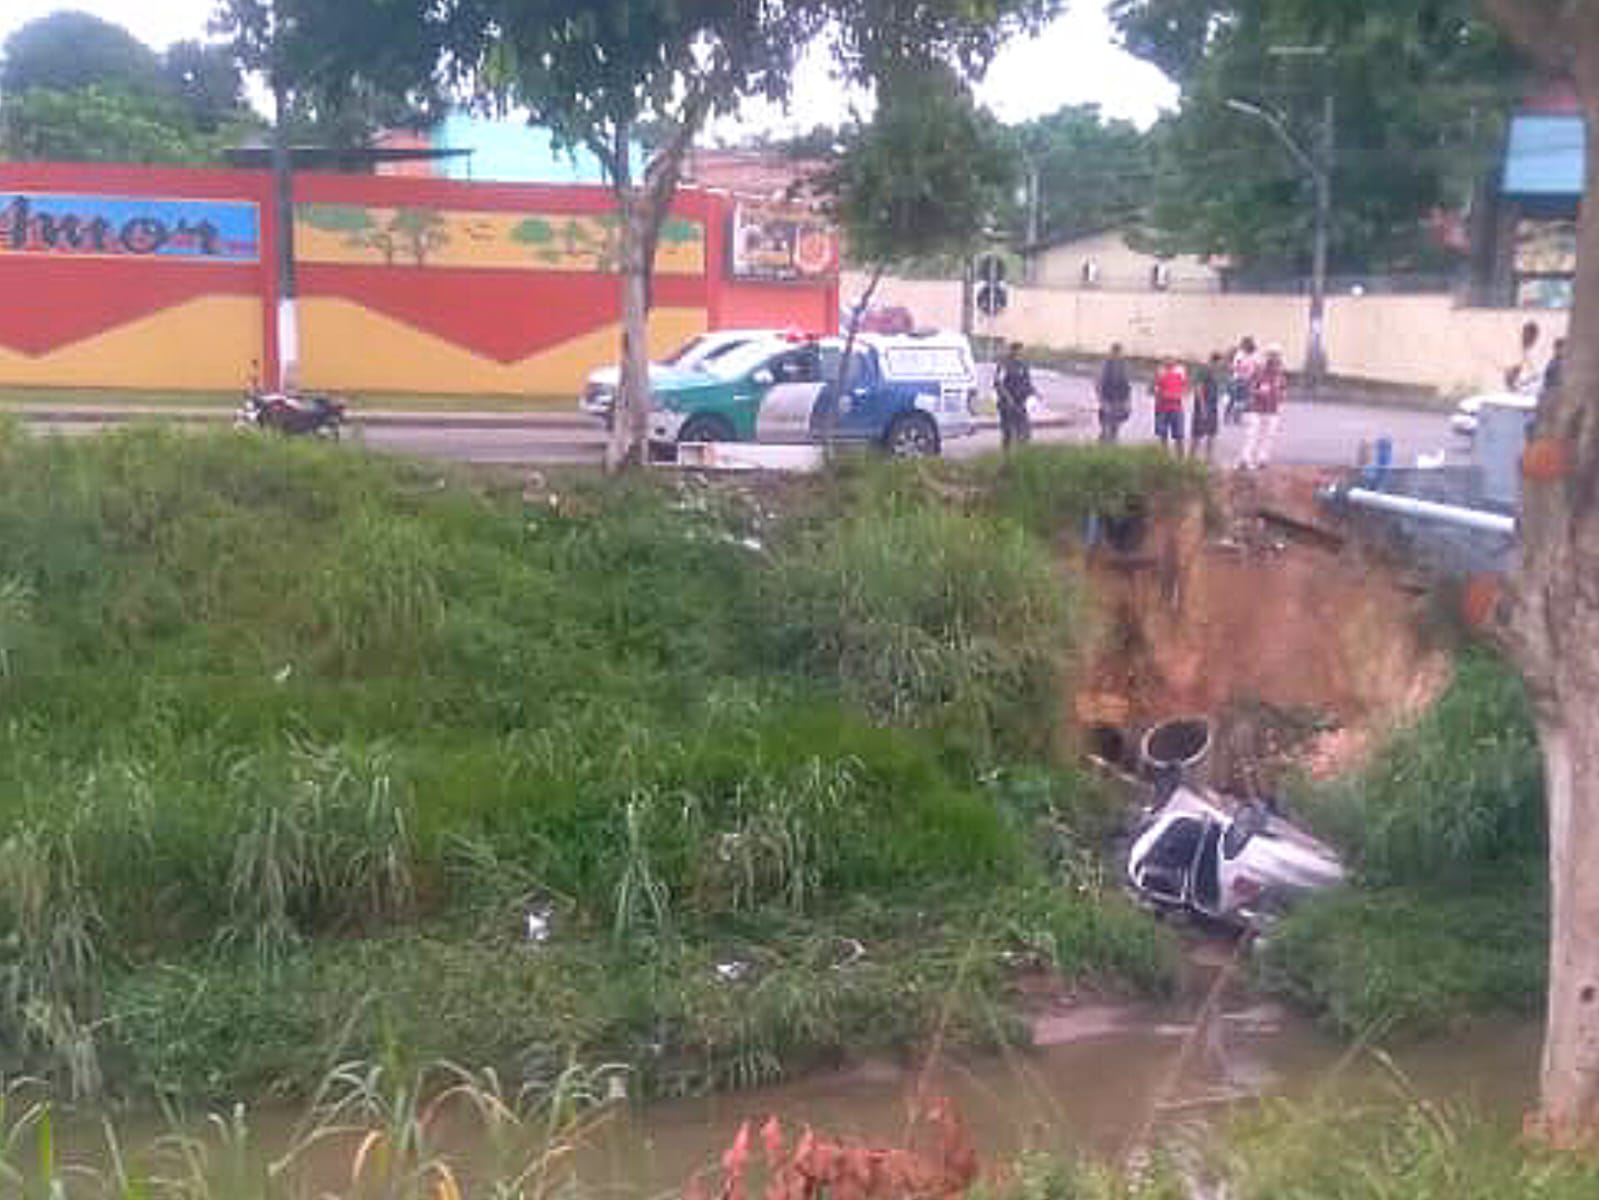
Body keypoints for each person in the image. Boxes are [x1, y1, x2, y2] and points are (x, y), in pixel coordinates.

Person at [1238, 345, 1287, 470]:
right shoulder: (1259, 371)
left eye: (1276, 356)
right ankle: (1245, 459)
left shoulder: (1280, 374)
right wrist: (1258, 392)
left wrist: (1280, 398)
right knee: (1252, 434)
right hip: (1257, 408)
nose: (1274, 359)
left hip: (1272, 409)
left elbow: (1283, 390)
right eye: (1272, 355)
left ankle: (1262, 459)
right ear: (1267, 357)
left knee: (1269, 435)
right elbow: (1250, 388)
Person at [995, 342, 1035, 449]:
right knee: (1008, 432)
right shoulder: (1004, 365)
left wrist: (1033, 392)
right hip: (1007, 404)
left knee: (1025, 431)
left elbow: (1027, 382)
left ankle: (1021, 455)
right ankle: (1006, 457)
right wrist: (1008, 398)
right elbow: (998, 383)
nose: (1020, 353)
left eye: (1022, 351)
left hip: (1020, 403)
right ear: (1012, 351)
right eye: (1018, 351)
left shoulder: (1023, 365)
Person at [1190, 352, 1223, 462]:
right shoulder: (1204, 370)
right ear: (1215, 361)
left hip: (1213, 405)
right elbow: (1198, 387)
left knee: (1212, 432)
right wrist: (1202, 406)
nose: (1221, 365)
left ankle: (1209, 458)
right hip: (1203, 405)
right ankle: (1192, 458)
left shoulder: (1215, 371)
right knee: (1198, 433)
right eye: (1220, 362)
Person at [1097, 343, 1133, 443]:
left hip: (1120, 399)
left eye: (1119, 352)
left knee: (1116, 425)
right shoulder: (1105, 364)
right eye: (1115, 352)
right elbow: (1099, 383)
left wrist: (1128, 402)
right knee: (1106, 425)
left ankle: (1113, 445)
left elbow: (1128, 385)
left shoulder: (1124, 365)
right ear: (1111, 352)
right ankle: (1102, 444)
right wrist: (1102, 401)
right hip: (1107, 398)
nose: (1117, 354)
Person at [1152, 357, 1188, 455]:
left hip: (1176, 407)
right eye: (1167, 359)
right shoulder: (1160, 372)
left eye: (1171, 359)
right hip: (1162, 408)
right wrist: (1162, 395)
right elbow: (1155, 389)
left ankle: (1180, 459)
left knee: (1179, 436)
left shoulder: (1180, 372)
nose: (1169, 362)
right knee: (1163, 435)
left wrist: (1177, 395)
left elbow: (1185, 389)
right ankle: (1164, 457)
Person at [1506, 320, 1545, 396]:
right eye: (1524, 334)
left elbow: (1536, 377)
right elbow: (1511, 376)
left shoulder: (1539, 354)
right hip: (1517, 393)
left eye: (1528, 335)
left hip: (1532, 393)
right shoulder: (1518, 352)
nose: (1524, 337)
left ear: (1535, 336)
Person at [1226, 336, 1259, 425]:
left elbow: (1256, 366)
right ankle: (1227, 415)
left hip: (1247, 379)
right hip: (1237, 378)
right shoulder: (1240, 354)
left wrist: (1254, 374)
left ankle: (1237, 417)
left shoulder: (1254, 355)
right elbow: (1235, 366)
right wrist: (1241, 368)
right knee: (1233, 398)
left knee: (1242, 399)